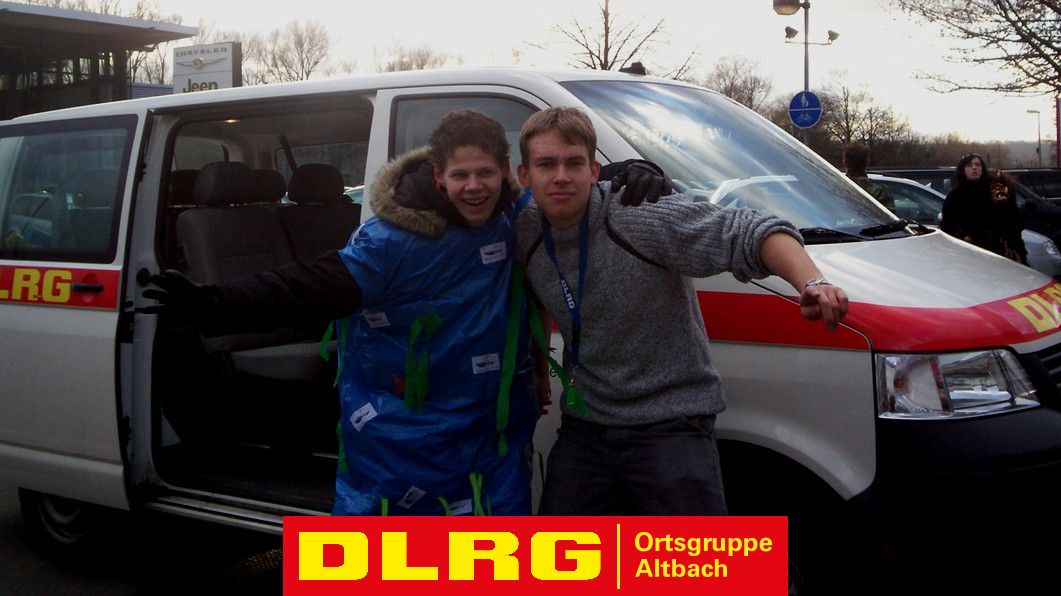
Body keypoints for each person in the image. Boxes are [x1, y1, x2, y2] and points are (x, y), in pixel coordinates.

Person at [149, 109, 667, 516]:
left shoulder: (511, 213)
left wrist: (625, 173)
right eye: (461, 175)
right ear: (439, 177)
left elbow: (563, 183)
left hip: (489, 439)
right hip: (405, 440)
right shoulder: (389, 241)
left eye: (485, 173)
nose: (474, 187)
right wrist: (211, 303)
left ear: (506, 175)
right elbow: (304, 287)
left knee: (490, 558)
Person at [514, 106, 850, 515]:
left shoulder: (637, 215)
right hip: (589, 423)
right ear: (524, 175)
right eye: (546, 164)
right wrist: (538, 368)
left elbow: (750, 231)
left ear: (594, 171)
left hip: (670, 423)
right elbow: (529, 288)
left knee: (692, 555)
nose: (561, 176)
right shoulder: (525, 232)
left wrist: (812, 282)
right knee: (560, 551)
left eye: (574, 163)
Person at [939, 152, 1027, 264]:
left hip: (997, 251)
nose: (974, 167)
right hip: (969, 253)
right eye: (969, 165)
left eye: (977, 164)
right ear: (963, 170)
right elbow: (948, 227)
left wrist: (1016, 248)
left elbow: (1012, 221)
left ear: (982, 168)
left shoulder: (995, 191)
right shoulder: (955, 196)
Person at [842, 142, 895, 211]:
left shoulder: (835, 187)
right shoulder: (879, 191)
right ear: (867, 162)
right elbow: (889, 215)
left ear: (844, 162)